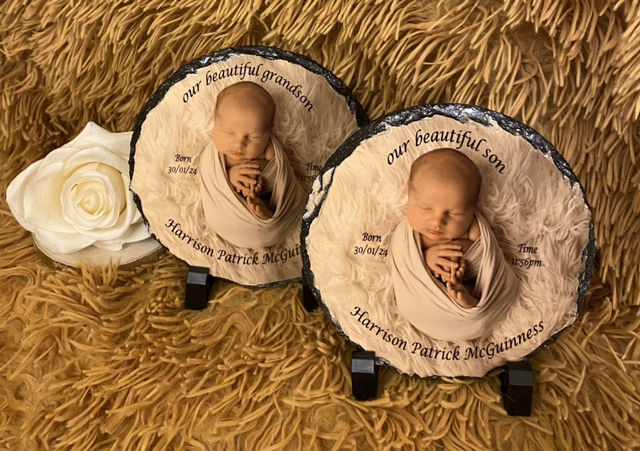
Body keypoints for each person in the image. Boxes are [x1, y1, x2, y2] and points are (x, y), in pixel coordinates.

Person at [389, 148, 518, 341]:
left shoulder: (472, 228)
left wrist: (463, 252)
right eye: (425, 208)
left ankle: (472, 303)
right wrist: (427, 258)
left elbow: (487, 257)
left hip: (470, 283)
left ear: (472, 207)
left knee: (471, 288)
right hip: (423, 300)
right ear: (408, 192)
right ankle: (462, 304)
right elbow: (405, 259)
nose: (437, 221)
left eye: (454, 213)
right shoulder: (408, 235)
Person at [198, 81, 307, 249]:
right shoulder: (214, 156)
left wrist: (261, 173)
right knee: (239, 208)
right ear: (215, 120)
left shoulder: (268, 149)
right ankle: (259, 216)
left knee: (267, 201)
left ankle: (267, 214)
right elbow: (210, 177)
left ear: (268, 132)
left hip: (269, 201)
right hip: (226, 213)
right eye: (229, 132)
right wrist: (231, 176)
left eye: (253, 137)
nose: (239, 144)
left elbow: (280, 174)